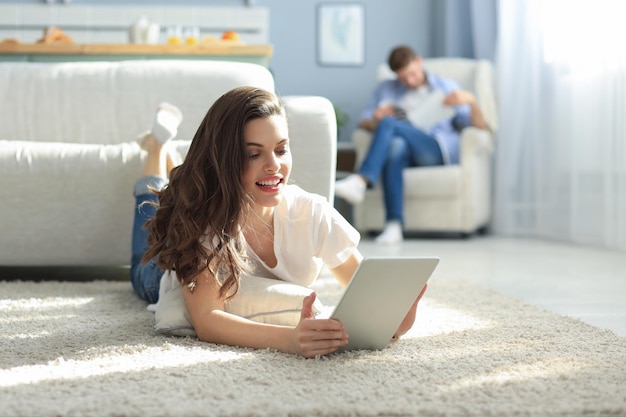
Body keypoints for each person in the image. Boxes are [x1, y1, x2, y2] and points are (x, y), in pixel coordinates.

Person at [130, 87, 427, 358]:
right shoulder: (203, 221)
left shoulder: (311, 213)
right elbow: (207, 319)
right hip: (163, 270)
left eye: (281, 149)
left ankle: (167, 155)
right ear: (224, 160)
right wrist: (290, 340)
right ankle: (157, 149)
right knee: (151, 210)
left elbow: (364, 290)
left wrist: (397, 316)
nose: (274, 165)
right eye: (253, 154)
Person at [335, 45, 488, 244]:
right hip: (404, 149)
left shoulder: (445, 86)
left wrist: (471, 101)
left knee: (390, 124)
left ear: (419, 61)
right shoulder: (386, 89)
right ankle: (393, 226)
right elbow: (362, 121)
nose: (409, 81)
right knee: (395, 146)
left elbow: (480, 127)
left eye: (412, 74)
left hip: (434, 148)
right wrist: (375, 119)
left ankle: (361, 180)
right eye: (403, 78)